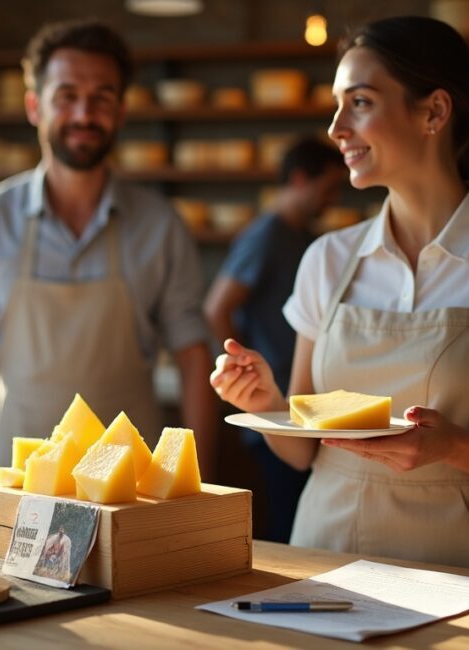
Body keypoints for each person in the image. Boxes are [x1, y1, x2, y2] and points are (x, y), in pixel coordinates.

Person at [210, 16, 469, 574]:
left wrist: (455, 448)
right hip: (324, 563)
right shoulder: (327, 259)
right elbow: (303, 450)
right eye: (336, 105)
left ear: (434, 112)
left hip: (467, 575)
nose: (335, 128)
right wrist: (267, 403)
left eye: (361, 103)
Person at [0, 19, 215, 482]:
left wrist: (198, 479)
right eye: (67, 96)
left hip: (130, 484)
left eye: (101, 98)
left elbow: (193, 357)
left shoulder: (160, 225)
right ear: (35, 106)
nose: (83, 114)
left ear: (120, 111)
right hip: (16, 478)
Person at [205, 137, 347, 543]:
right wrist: (240, 367)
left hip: (300, 401)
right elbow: (217, 307)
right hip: (271, 401)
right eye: (328, 187)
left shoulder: (304, 236)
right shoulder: (267, 234)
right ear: (300, 179)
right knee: (286, 523)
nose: (333, 199)